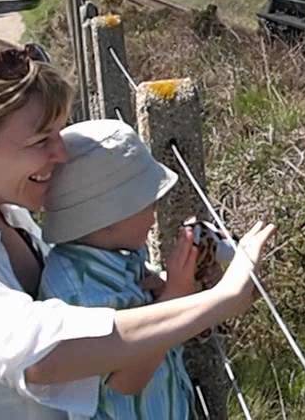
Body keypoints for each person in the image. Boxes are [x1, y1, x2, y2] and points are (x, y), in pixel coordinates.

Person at [0, 36, 275, 420]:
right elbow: (43, 354)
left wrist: (172, 283)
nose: (60, 153)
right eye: (41, 140)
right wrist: (221, 301)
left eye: (59, 133)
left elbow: (80, 310)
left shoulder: (10, 218)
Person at [38, 119, 199, 419]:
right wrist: (176, 295)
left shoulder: (120, 255)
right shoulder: (79, 290)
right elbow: (126, 381)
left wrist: (164, 286)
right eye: (146, 204)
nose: (154, 216)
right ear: (111, 215)